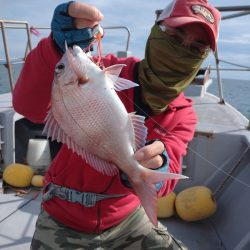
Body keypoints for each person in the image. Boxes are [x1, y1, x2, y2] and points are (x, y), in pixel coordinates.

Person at [12, 0, 220, 249]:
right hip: (64, 214)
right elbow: (28, 107)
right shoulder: (108, 68)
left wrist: (159, 165)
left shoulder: (183, 113)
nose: (182, 49)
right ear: (156, 32)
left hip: (128, 216)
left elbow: (170, 167)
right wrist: (55, 49)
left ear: (202, 58)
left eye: (197, 47)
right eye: (175, 36)